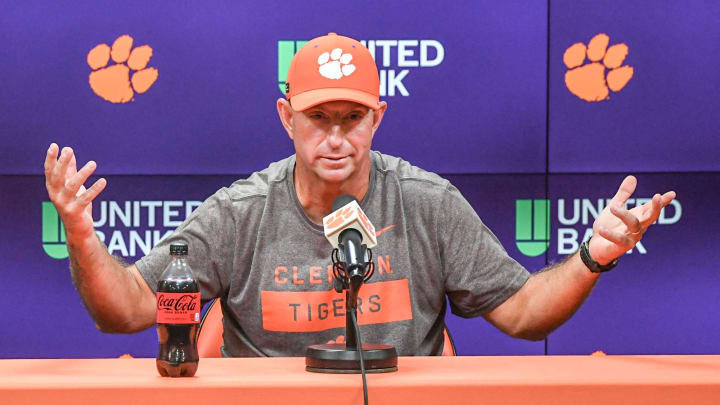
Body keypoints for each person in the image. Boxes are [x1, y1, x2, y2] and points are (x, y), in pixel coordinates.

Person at [44, 33, 676, 356]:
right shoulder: (240, 213)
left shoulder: (427, 203)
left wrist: (594, 256)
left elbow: (522, 313)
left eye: (354, 117)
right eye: (320, 118)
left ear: (379, 118)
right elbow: (124, 311)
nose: (338, 138)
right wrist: (79, 231)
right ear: (286, 118)